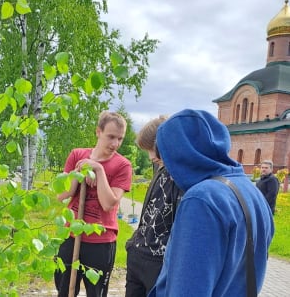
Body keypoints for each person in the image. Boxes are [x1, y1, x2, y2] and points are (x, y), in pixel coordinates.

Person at [147, 109, 274, 297]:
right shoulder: (252, 192)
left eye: (166, 161)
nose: (168, 172)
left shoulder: (202, 199)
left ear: (181, 154)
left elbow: (187, 290)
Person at [54, 111, 133, 297]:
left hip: (101, 241)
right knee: (64, 289)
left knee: (96, 293)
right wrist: (79, 172)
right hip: (71, 234)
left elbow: (108, 204)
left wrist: (98, 170)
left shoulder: (123, 165)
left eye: (120, 139)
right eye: (111, 137)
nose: (115, 144)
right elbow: (62, 195)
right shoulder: (77, 155)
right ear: (98, 132)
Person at [125, 116, 184, 297]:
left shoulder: (182, 176)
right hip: (139, 253)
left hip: (160, 261)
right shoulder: (160, 169)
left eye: (152, 149)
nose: (151, 156)